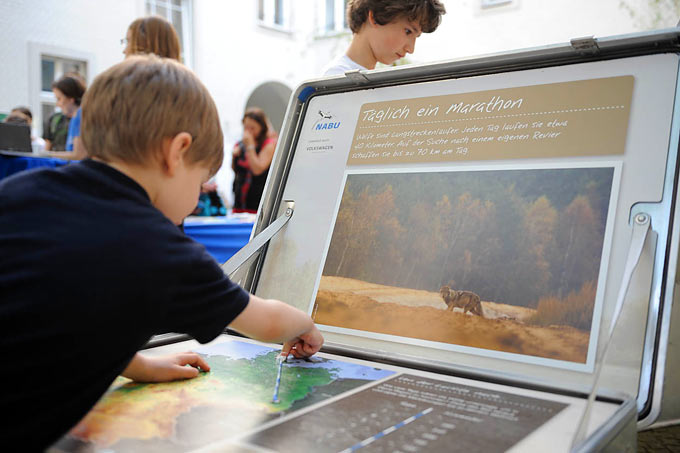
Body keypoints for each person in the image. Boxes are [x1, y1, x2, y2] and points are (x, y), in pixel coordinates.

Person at [0, 55, 323, 451]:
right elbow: (266, 322)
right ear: (177, 152)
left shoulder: (22, 192)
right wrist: (304, 324)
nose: (193, 200)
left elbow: (54, 324)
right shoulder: (158, 250)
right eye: (200, 180)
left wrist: (141, 365)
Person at [323, 0, 446, 76]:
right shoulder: (337, 78)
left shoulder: (373, 80)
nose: (411, 49)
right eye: (408, 31)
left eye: (416, 37)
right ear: (375, 17)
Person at [232, 107, 277, 212]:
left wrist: (250, 147)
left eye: (252, 128)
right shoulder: (240, 144)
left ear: (261, 127)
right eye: (246, 127)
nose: (248, 132)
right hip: (240, 203)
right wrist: (234, 156)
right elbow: (235, 170)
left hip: (257, 204)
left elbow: (258, 169)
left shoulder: (268, 144)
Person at [47, 73, 87, 159]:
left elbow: (78, 155)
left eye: (59, 99)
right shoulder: (76, 116)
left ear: (71, 98)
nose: (57, 104)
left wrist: (47, 155)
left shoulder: (81, 115)